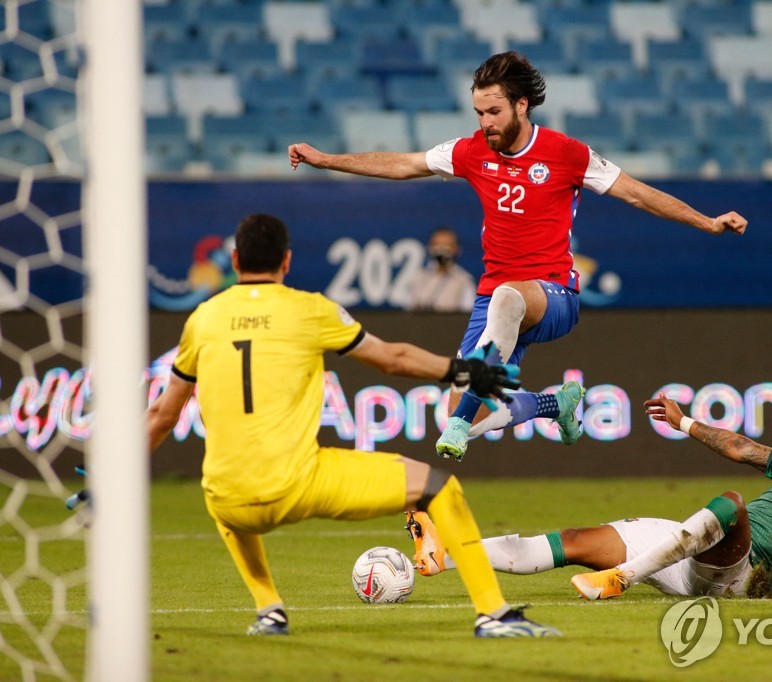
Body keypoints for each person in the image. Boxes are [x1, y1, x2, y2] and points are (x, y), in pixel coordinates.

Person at [289, 52, 748, 463]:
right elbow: (403, 164)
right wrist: (326, 160)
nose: (485, 121)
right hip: (494, 300)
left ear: (521, 106)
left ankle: (466, 418)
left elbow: (636, 194)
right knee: (456, 408)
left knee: (509, 300)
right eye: (479, 112)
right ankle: (555, 405)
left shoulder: (566, 153)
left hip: (554, 296)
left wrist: (706, 221)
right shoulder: (470, 151)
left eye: (494, 111)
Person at [145, 213, 562, 638]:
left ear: (234, 260)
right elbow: (391, 359)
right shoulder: (310, 309)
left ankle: (269, 609)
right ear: (286, 262)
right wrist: (463, 372)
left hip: (228, 498)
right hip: (299, 482)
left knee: (225, 494)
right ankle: (493, 614)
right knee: (439, 488)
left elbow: (162, 414)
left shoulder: (202, 319)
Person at [404, 394, 772, 601]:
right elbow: (744, 447)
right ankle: (446, 555)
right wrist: (686, 422)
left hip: (739, 575)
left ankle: (621, 579)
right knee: (572, 542)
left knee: (730, 504)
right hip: (689, 547)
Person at [404, 226, 476, 313]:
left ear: (457, 249)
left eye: (447, 245)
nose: (441, 250)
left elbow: (467, 314)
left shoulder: (464, 281)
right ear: (429, 247)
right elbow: (408, 310)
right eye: (437, 245)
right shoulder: (418, 277)